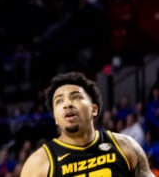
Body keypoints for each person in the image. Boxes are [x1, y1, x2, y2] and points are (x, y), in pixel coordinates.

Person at [20, 71, 153, 177]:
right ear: (55, 118)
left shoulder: (125, 146)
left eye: (76, 97)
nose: (67, 104)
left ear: (94, 109)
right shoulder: (38, 163)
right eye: (59, 101)